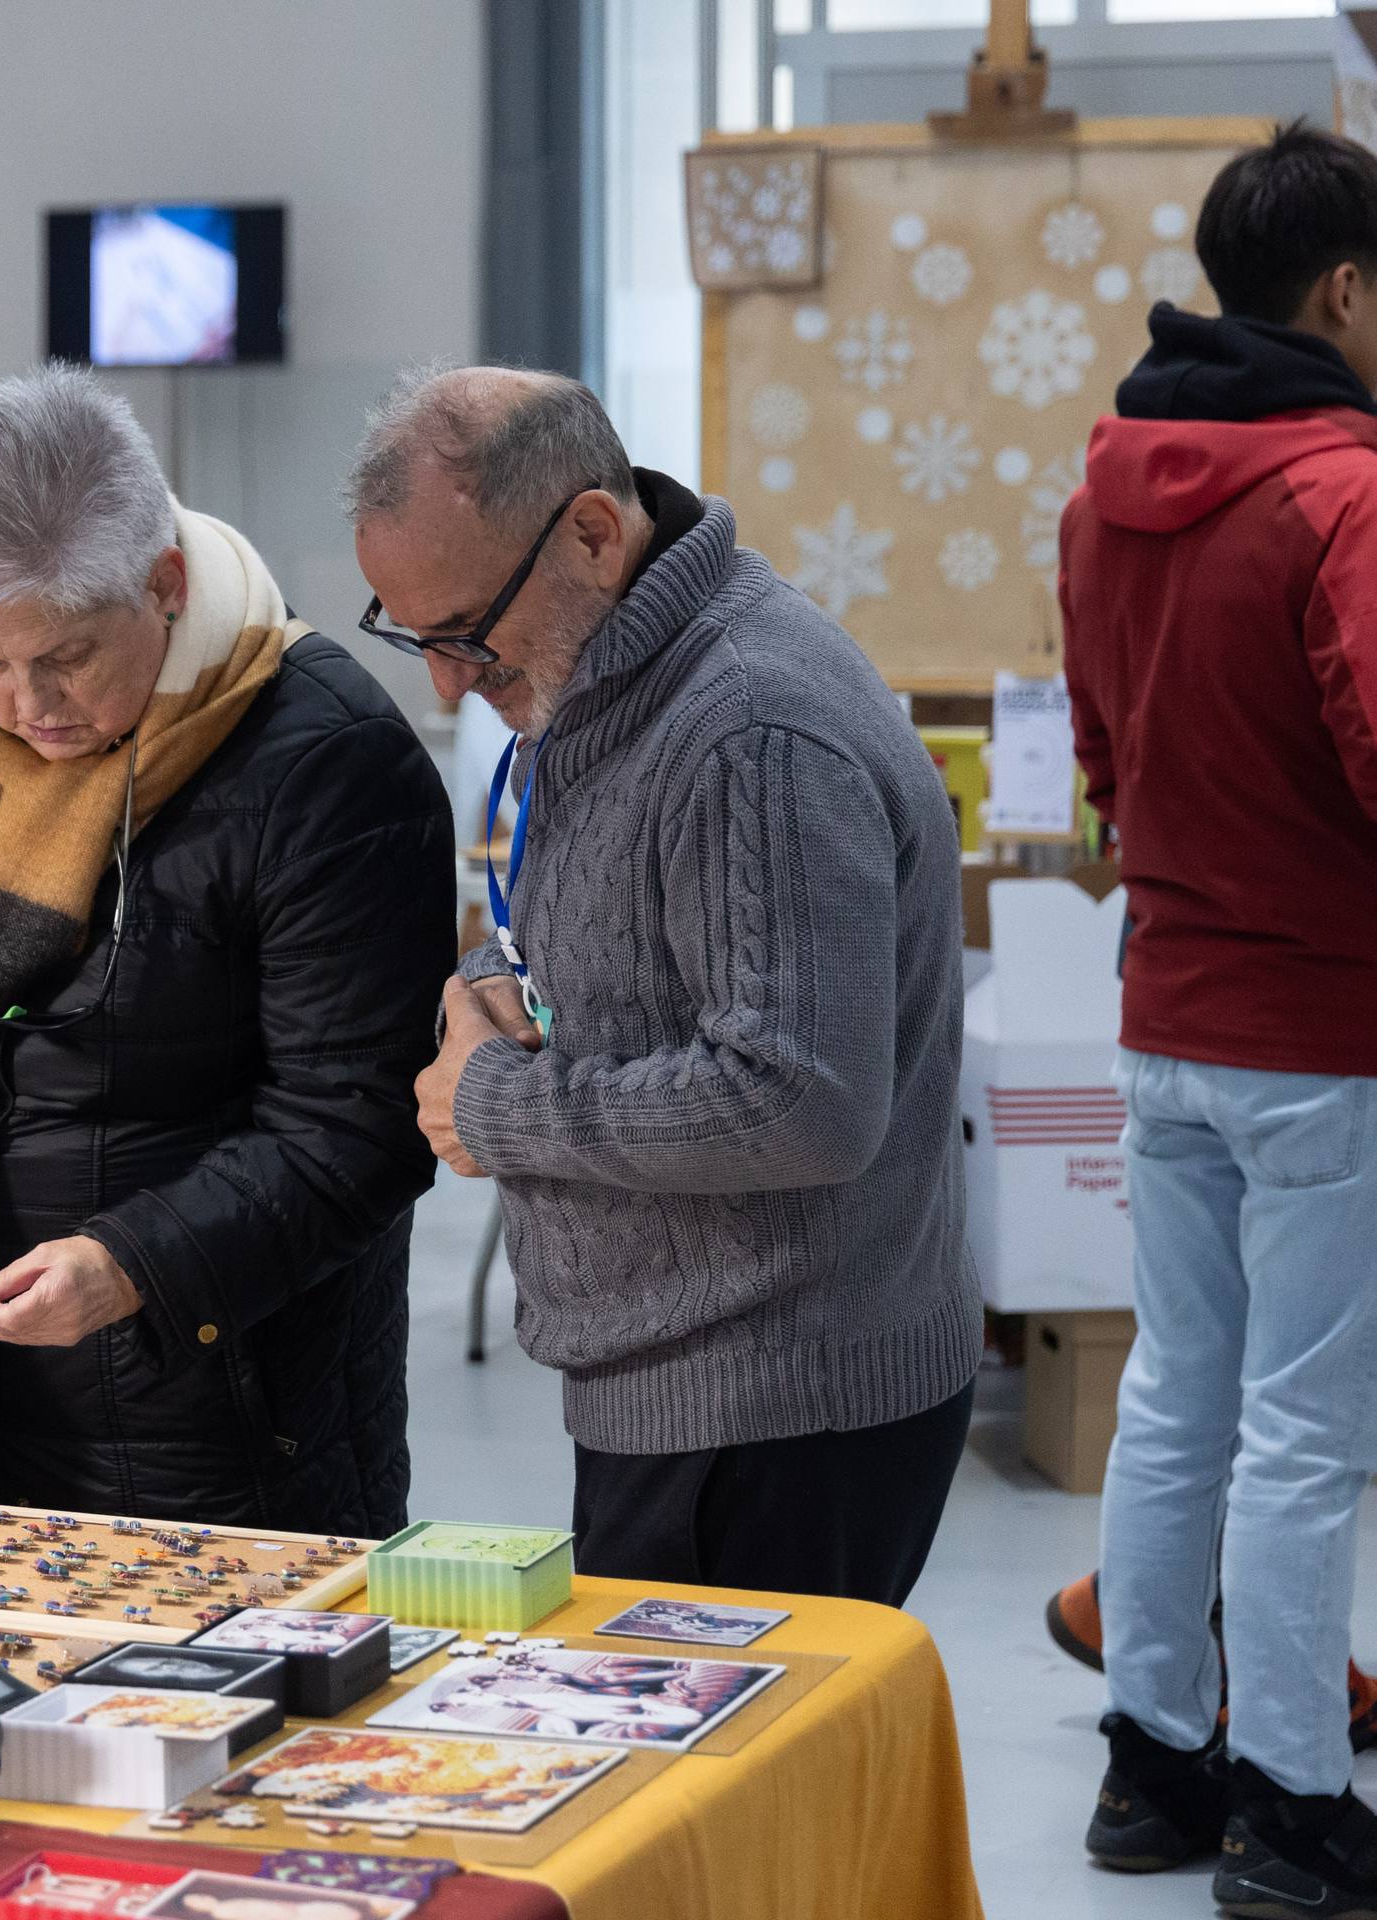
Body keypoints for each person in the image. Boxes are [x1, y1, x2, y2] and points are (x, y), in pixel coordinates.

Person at [0, 363, 449, 1536]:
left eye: (64, 656)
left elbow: (355, 1124)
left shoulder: (323, 763)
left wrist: (134, 1265)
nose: (22, 704)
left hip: (207, 1420)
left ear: (163, 584)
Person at [358, 365, 979, 1607]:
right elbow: (614, 934)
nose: (444, 681)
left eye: (462, 634)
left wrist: (491, 1106)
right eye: (409, 634)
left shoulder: (746, 728)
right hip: (693, 1379)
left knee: (726, 1798)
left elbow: (795, 1098)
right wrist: (490, 984)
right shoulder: (607, 675)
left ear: (592, 532)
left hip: (772, 1408)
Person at [1055, 124, 1377, 1906]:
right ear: (1340, 289)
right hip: (1322, 1032)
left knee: (1175, 1399)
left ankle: (1151, 1769)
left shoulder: (1100, 490)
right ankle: (1289, 1804)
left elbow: (1101, 762)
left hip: (1162, 1014)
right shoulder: (1340, 494)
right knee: (1303, 1431)